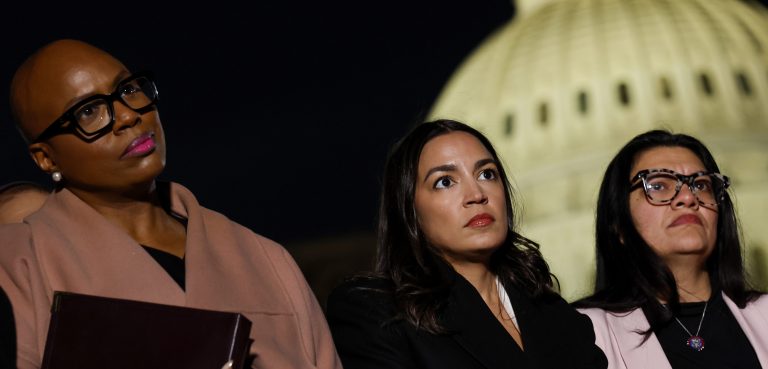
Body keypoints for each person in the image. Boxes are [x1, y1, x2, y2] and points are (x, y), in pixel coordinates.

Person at [0, 39, 340, 369]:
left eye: (128, 90)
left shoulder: (266, 260)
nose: (128, 116)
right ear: (46, 158)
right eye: (89, 111)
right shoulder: (18, 264)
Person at [326, 119, 607, 369]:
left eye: (487, 174)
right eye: (445, 181)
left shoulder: (556, 313)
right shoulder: (376, 311)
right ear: (409, 211)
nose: (476, 194)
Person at [574, 130, 768, 369]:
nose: (687, 197)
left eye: (701, 185)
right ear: (618, 224)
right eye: (657, 185)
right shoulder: (583, 333)